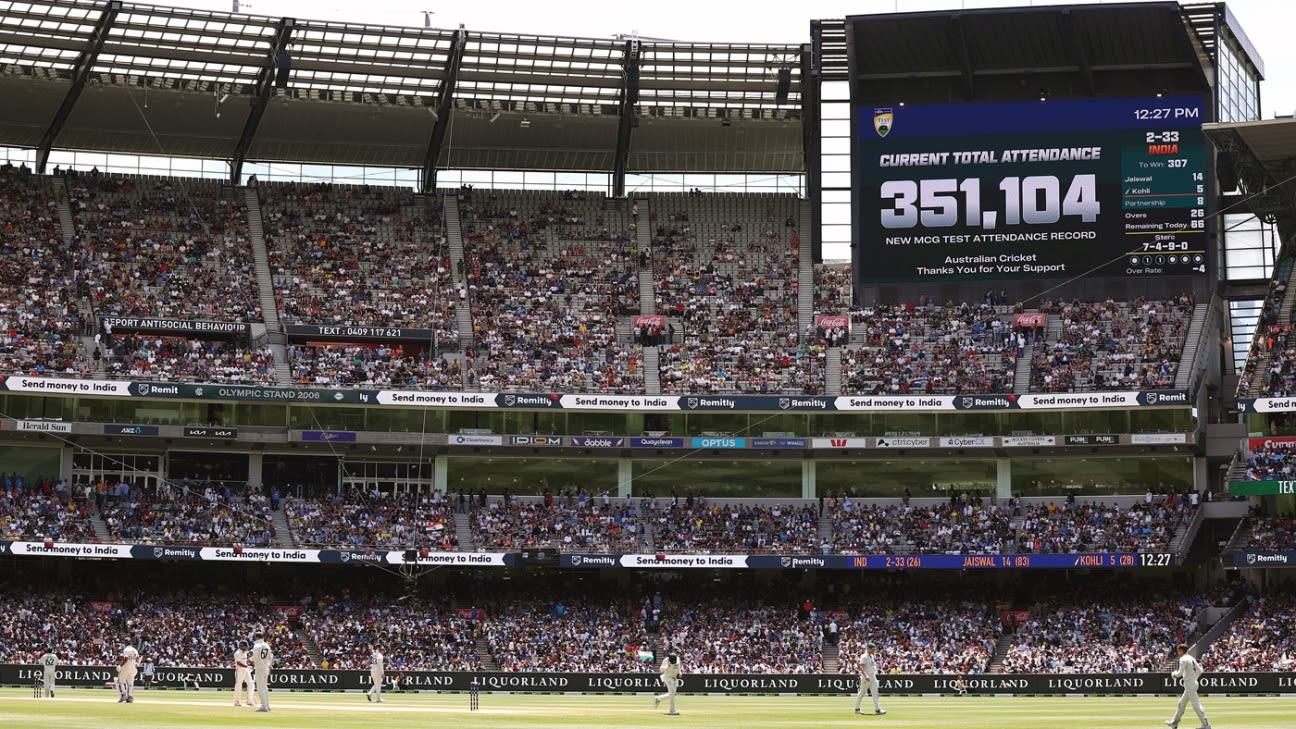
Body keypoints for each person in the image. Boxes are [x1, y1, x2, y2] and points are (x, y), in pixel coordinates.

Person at [1166, 643, 1210, 729]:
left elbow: (1179, 673)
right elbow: (1200, 671)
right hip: (1192, 684)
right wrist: (1193, 679)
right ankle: (1174, 723)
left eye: (1178, 650)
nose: (1177, 652)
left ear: (1182, 650)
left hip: (1190, 685)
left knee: (1196, 705)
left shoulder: (1183, 659)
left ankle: (1206, 724)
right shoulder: (1191, 658)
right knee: (1181, 704)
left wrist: (1173, 674)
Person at [854, 642, 885, 715]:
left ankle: (877, 709)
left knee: (875, 692)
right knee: (862, 693)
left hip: (873, 677)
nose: (873, 651)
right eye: (872, 649)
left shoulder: (871, 656)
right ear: (868, 648)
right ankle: (857, 708)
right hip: (866, 678)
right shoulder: (864, 656)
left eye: (874, 649)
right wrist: (865, 675)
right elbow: (861, 667)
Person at [251, 632, 273, 712]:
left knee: (260, 688)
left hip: (259, 667)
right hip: (266, 667)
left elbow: (255, 658)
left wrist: (250, 659)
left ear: (256, 637)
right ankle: (267, 705)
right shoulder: (267, 645)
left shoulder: (256, 645)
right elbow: (270, 657)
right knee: (265, 687)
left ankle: (264, 706)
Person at [233, 640, 256, 707]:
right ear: (241, 646)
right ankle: (237, 702)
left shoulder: (245, 652)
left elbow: (246, 660)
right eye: (245, 646)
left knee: (251, 683)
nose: (246, 648)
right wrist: (247, 666)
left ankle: (249, 701)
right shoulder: (237, 653)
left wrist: (251, 662)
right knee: (238, 685)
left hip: (246, 670)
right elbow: (238, 663)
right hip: (239, 670)